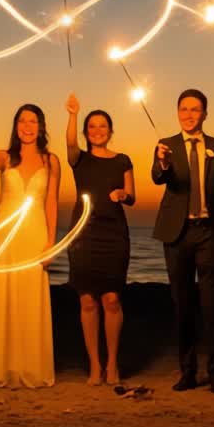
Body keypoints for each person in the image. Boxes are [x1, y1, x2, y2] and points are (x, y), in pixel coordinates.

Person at [152, 89, 214, 394]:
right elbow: (158, 179)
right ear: (177, 112)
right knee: (182, 306)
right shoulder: (166, 146)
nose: (189, 114)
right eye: (184, 109)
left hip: (209, 233)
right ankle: (187, 372)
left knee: (212, 306)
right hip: (176, 234)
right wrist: (163, 163)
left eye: (195, 109)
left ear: (205, 113)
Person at [0, 104, 60, 388]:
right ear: (16, 126)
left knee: (29, 294)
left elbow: (51, 202)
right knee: (2, 294)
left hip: (35, 231)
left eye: (32, 121)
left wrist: (51, 242)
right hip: (4, 232)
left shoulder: (51, 161)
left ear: (41, 126)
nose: (27, 126)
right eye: (22, 121)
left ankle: (29, 367)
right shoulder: (4, 157)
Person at [64, 94, 135, 386]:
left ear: (110, 130)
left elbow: (132, 196)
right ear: (85, 131)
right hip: (83, 235)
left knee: (112, 299)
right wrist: (72, 114)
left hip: (114, 236)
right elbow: (69, 144)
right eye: (91, 126)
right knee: (88, 302)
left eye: (102, 126)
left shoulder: (122, 160)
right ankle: (94, 365)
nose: (97, 130)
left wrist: (122, 195)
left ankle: (112, 364)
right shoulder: (79, 159)